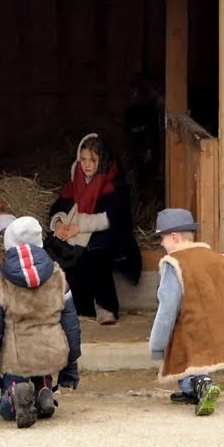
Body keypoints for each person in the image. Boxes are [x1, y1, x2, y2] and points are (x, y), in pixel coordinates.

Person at [0, 217, 82, 429]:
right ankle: (44, 389)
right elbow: (71, 323)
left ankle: (13, 394)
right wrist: (71, 363)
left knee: (8, 409)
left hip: (17, 357)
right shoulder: (58, 277)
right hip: (51, 352)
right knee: (41, 364)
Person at [148, 208, 224, 417]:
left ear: (174, 237)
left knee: (184, 347)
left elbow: (167, 308)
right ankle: (192, 389)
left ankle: (202, 384)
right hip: (218, 326)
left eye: (162, 238)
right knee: (195, 355)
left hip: (192, 325)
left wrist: (157, 344)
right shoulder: (218, 259)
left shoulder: (175, 263)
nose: (161, 244)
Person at [47, 133, 142, 325]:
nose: (87, 164)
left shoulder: (114, 184)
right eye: (83, 159)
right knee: (54, 250)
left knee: (95, 253)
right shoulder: (77, 180)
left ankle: (105, 307)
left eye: (93, 160)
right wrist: (59, 224)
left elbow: (113, 218)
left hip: (108, 233)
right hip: (77, 231)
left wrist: (79, 227)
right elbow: (62, 205)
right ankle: (75, 305)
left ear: (103, 159)